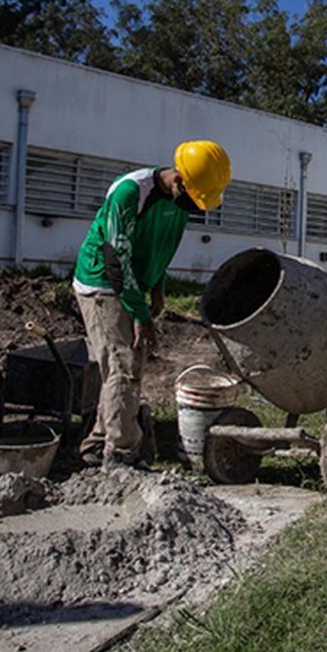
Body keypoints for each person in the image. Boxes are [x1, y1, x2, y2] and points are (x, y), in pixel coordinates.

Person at [72, 140, 231, 468]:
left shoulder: (180, 202)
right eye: (196, 198)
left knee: (126, 364)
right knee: (123, 365)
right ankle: (121, 454)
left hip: (131, 280)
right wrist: (140, 313)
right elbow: (117, 259)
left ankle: (97, 442)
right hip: (101, 280)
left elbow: (161, 246)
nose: (196, 208)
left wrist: (157, 288)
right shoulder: (129, 193)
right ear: (179, 181)